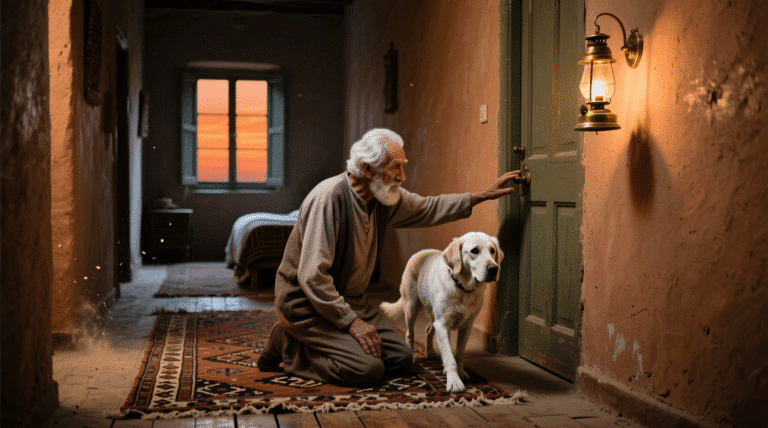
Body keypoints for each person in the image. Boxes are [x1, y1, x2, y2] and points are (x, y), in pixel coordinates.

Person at [257, 128, 521, 386]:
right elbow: (311, 277)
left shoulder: (383, 198)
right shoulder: (328, 198)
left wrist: (482, 196)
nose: (402, 177)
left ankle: (306, 339)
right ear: (368, 169)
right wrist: (352, 323)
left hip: (351, 302)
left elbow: (428, 207)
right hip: (308, 305)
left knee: (401, 359)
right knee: (366, 370)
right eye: (396, 167)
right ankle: (290, 345)